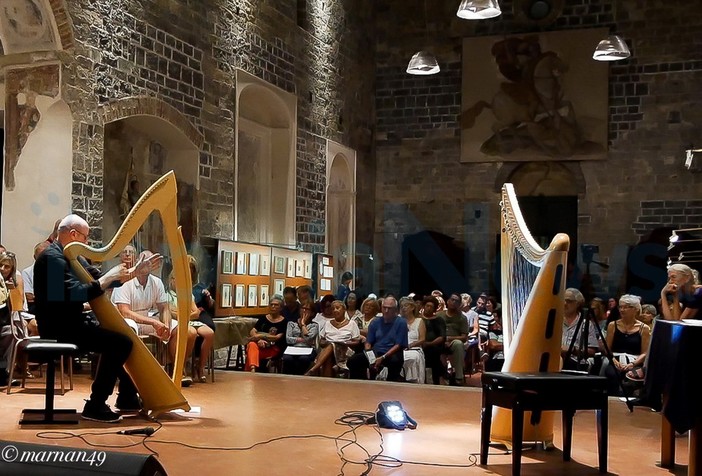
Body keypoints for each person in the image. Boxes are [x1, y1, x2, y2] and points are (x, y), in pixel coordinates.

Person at [33, 214, 160, 422]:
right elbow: (72, 294)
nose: (87, 243)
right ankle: (96, 404)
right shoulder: (51, 259)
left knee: (120, 336)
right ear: (73, 234)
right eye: (85, 237)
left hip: (72, 322)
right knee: (120, 343)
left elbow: (99, 277)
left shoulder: (73, 257)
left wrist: (135, 272)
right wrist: (107, 278)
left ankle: (127, 396)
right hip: (58, 328)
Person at [165, 271, 213, 383]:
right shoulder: (166, 295)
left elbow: (196, 312)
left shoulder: (187, 294)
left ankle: (200, 368)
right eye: (176, 279)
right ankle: (180, 367)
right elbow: (172, 313)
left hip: (189, 320)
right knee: (191, 333)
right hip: (178, 322)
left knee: (209, 333)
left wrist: (184, 314)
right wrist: (186, 313)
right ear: (171, 280)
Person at [348, 295, 407, 382]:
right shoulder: (375, 322)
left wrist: (382, 358)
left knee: (395, 362)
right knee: (353, 361)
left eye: (389, 308)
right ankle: (360, 384)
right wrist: (371, 357)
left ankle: (391, 387)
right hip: (375, 352)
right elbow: (368, 342)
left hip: (391, 353)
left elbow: (398, 345)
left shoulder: (401, 322)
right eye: (384, 308)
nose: (386, 311)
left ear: (395, 310)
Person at [603, 295, 651, 391]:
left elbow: (645, 353)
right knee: (612, 374)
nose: (622, 310)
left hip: (635, 361)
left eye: (626, 307)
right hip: (615, 359)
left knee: (630, 378)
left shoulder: (644, 328)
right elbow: (606, 349)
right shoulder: (612, 325)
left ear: (635, 309)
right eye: (620, 307)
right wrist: (614, 361)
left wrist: (632, 364)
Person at [305, 300, 360, 376]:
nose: (335, 310)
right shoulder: (327, 323)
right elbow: (321, 341)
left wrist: (344, 343)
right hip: (329, 349)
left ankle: (314, 369)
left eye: (337, 308)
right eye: (333, 309)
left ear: (344, 309)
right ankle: (327, 381)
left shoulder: (352, 323)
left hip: (345, 350)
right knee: (330, 349)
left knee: (332, 345)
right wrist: (328, 343)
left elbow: (357, 341)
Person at [561, 287, 598, 370]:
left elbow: (592, 351)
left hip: (576, 361)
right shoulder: (554, 320)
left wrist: (572, 349)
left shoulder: (586, 323)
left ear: (578, 303)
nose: (564, 303)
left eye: (569, 301)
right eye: (563, 300)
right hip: (555, 359)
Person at [245, 295, 286, 372]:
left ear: (281, 308)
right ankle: (253, 369)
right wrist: (259, 340)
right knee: (251, 345)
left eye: (276, 305)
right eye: (271, 304)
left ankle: (250, 371)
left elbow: (277, 337)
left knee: (251, 355)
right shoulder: (263, 318)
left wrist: (261, 336)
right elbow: (253, 331)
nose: (273, 306)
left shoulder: (284, 321)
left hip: (273, 348)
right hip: (260, 346)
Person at [437, 292, 468, 386]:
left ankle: (459, 377)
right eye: (452, 300)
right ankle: (438, 375)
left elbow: (464, 337)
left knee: (458, 344)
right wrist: (442, 340)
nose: (454, 302)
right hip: (439, 341)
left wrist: (448, 339)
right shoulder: (439, 315)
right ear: (448, 301)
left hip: (454, 342)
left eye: (457, 301)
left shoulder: (462, 318)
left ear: (459, 304)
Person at [282, 302, 318, 375]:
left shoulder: (314, 325)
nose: (304, 311)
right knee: (287, 359)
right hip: (292, 348)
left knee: (303, 359)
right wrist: (301, 339)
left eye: (307, 309)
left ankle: (300, 378)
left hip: (307, 349)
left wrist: (302, 324)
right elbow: (288, 339)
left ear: (312, 313)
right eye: (302, 308)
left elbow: (308, 338)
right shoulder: (291, 323)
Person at [421, 296, 446, 385]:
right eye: (427, 306)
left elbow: (442, 337)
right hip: (419, 344)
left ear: (434, 309)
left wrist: (429, 343)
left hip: (434, 346)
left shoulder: (439, 320)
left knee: (433, 352)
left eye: (431, 307)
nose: (428, 308)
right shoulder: (419, 319)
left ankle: (436, 381)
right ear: (423, 306)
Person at [400, 297, 425, 383]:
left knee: (412, 357)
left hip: (414, 348)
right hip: (400, 348)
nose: (403, 308)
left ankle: (413, 381)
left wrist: (410, 345)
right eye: (402, 306)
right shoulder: (399, 321)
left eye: (406, 305)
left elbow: (422, 339)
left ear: (412, 307)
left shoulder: (419, 321)